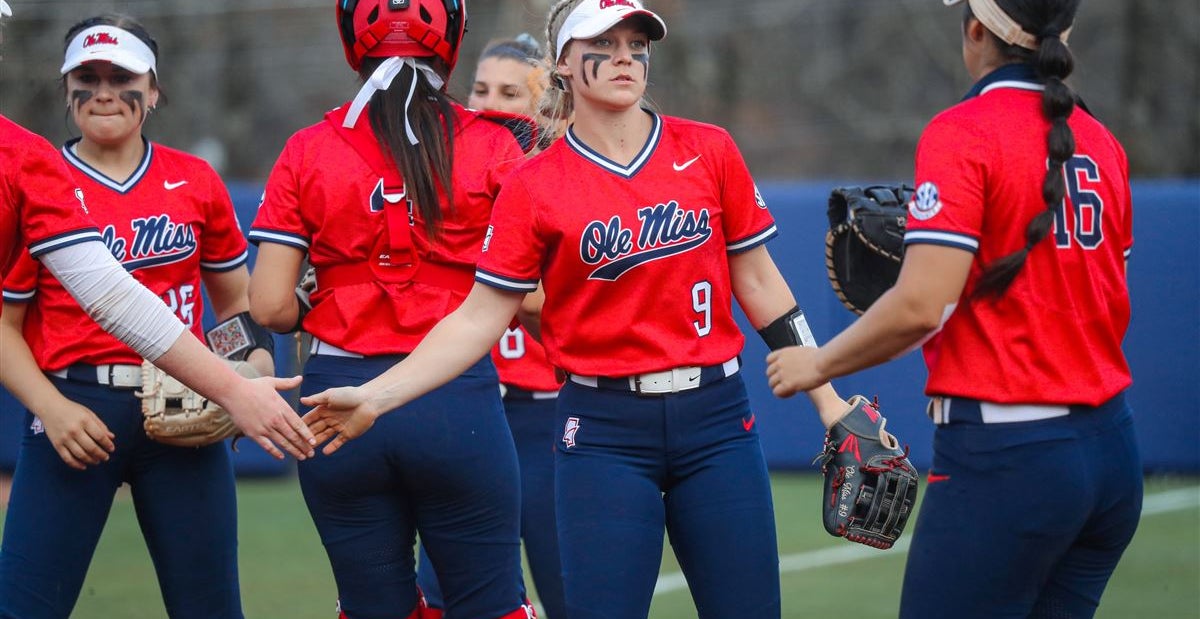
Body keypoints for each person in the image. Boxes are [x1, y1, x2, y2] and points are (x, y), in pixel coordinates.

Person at [300, 2, 848, 618]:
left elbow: (762, 284)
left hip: (717, 422)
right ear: (561, 62)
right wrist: (375, 395)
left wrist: (829, 401)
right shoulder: (534, 184)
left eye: (636, 42)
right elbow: (477, 318)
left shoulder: (708, 148)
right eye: (603, 42)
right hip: (603, 430)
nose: (624, 56)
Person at [765, 0, 1143, 617]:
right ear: (1064, 32)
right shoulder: (1101, 141)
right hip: (1111, 452)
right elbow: (1103, 289)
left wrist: (817, 365)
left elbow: (920, 306)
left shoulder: (966, 130)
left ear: (975, 29)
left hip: (1011, 456)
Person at [0, 14, 301, 618]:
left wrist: (251, 363)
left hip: (185, 407)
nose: (105, 90)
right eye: (87, 75)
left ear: (154, 89)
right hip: (78, 408)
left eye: (122, 76)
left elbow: (233, 303)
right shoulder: (36, 177)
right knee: (25, 608)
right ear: (66, 88)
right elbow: (5, 326)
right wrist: (50, 408)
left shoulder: (193, 180)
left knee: (210, 608)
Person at [246, 1, 535, 618]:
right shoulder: (494, 144)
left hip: (333, 402)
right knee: (492, 604)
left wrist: (329, 302)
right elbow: (529, 294)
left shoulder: (308, 148)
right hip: (455, 401)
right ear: (451, 38)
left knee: (373, 607)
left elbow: (268, 306)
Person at [416, 33, 567, 619]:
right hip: (466, 410)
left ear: (546, 105)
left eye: (511, 92)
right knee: (442, 596)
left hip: (546, 417)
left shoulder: (562, 183)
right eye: (480, 89)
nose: (491, 104)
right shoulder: (439, 181)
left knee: (573, 593)